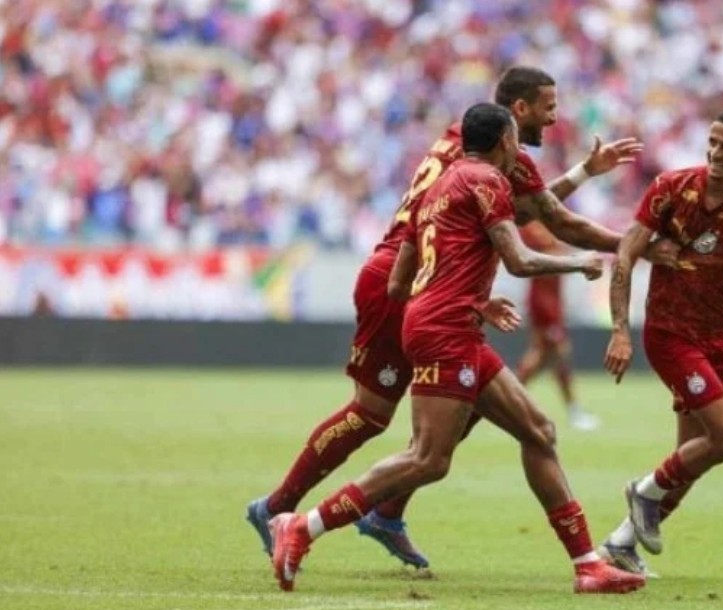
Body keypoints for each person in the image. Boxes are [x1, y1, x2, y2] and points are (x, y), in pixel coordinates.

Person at [245, 66, 651, 569]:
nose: (554, 118)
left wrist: (585, 174)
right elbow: (551, 220)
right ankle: (279, 509)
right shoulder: (496, 156)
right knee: (374, 415)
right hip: (405, 281)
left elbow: (522, 211)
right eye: (548, 107)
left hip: (428, 282)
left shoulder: (464, 139)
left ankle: (386, 511)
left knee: (482, 403)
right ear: (517, 112)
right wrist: (637, 245)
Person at [598, 108, 723, 575]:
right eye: (713, 142)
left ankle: (621, 544)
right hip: (670, 333)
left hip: (717, 339)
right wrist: (620, 330)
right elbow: (626, 253)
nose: (716, 152)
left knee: (694, 457)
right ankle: (643, 491)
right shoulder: (671, 188)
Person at [515, 221, 600, 431]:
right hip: (544, 302)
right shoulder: (531, 227)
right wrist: (575, 258)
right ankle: (509, 398)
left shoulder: (546, 222)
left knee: (551, 357)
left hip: (552, 300)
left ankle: (511, 397)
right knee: (555, 354)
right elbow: (544, 254)